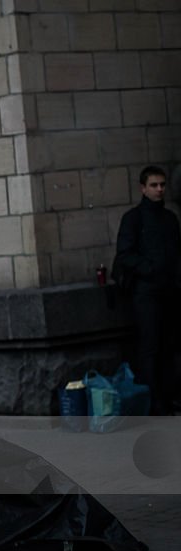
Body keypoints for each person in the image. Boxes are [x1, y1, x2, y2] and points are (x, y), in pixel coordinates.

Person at [113, 165, 181, 415]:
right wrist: (150, 269)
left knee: (167, 346)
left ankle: (167, 397)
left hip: (168, 292)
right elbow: (125, 255)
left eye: (162, 184)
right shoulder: (133, 219)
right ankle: (153, 402)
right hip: (146, 293)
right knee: (150, 347)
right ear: (143, 188)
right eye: (154, 185)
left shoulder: (170, 219)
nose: (159, 189)